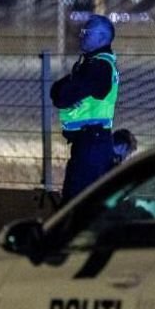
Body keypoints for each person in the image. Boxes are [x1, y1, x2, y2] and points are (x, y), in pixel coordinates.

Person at [51, 14, 120, 203]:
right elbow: (59, 90)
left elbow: (62, 95)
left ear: (102, 37)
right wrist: (61, 90)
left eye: (86, 32)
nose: (81, 35)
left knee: (76, 201)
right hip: (91, 141)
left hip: (92, 144)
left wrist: (62, 91)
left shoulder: (98, 66)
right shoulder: (92, 63)